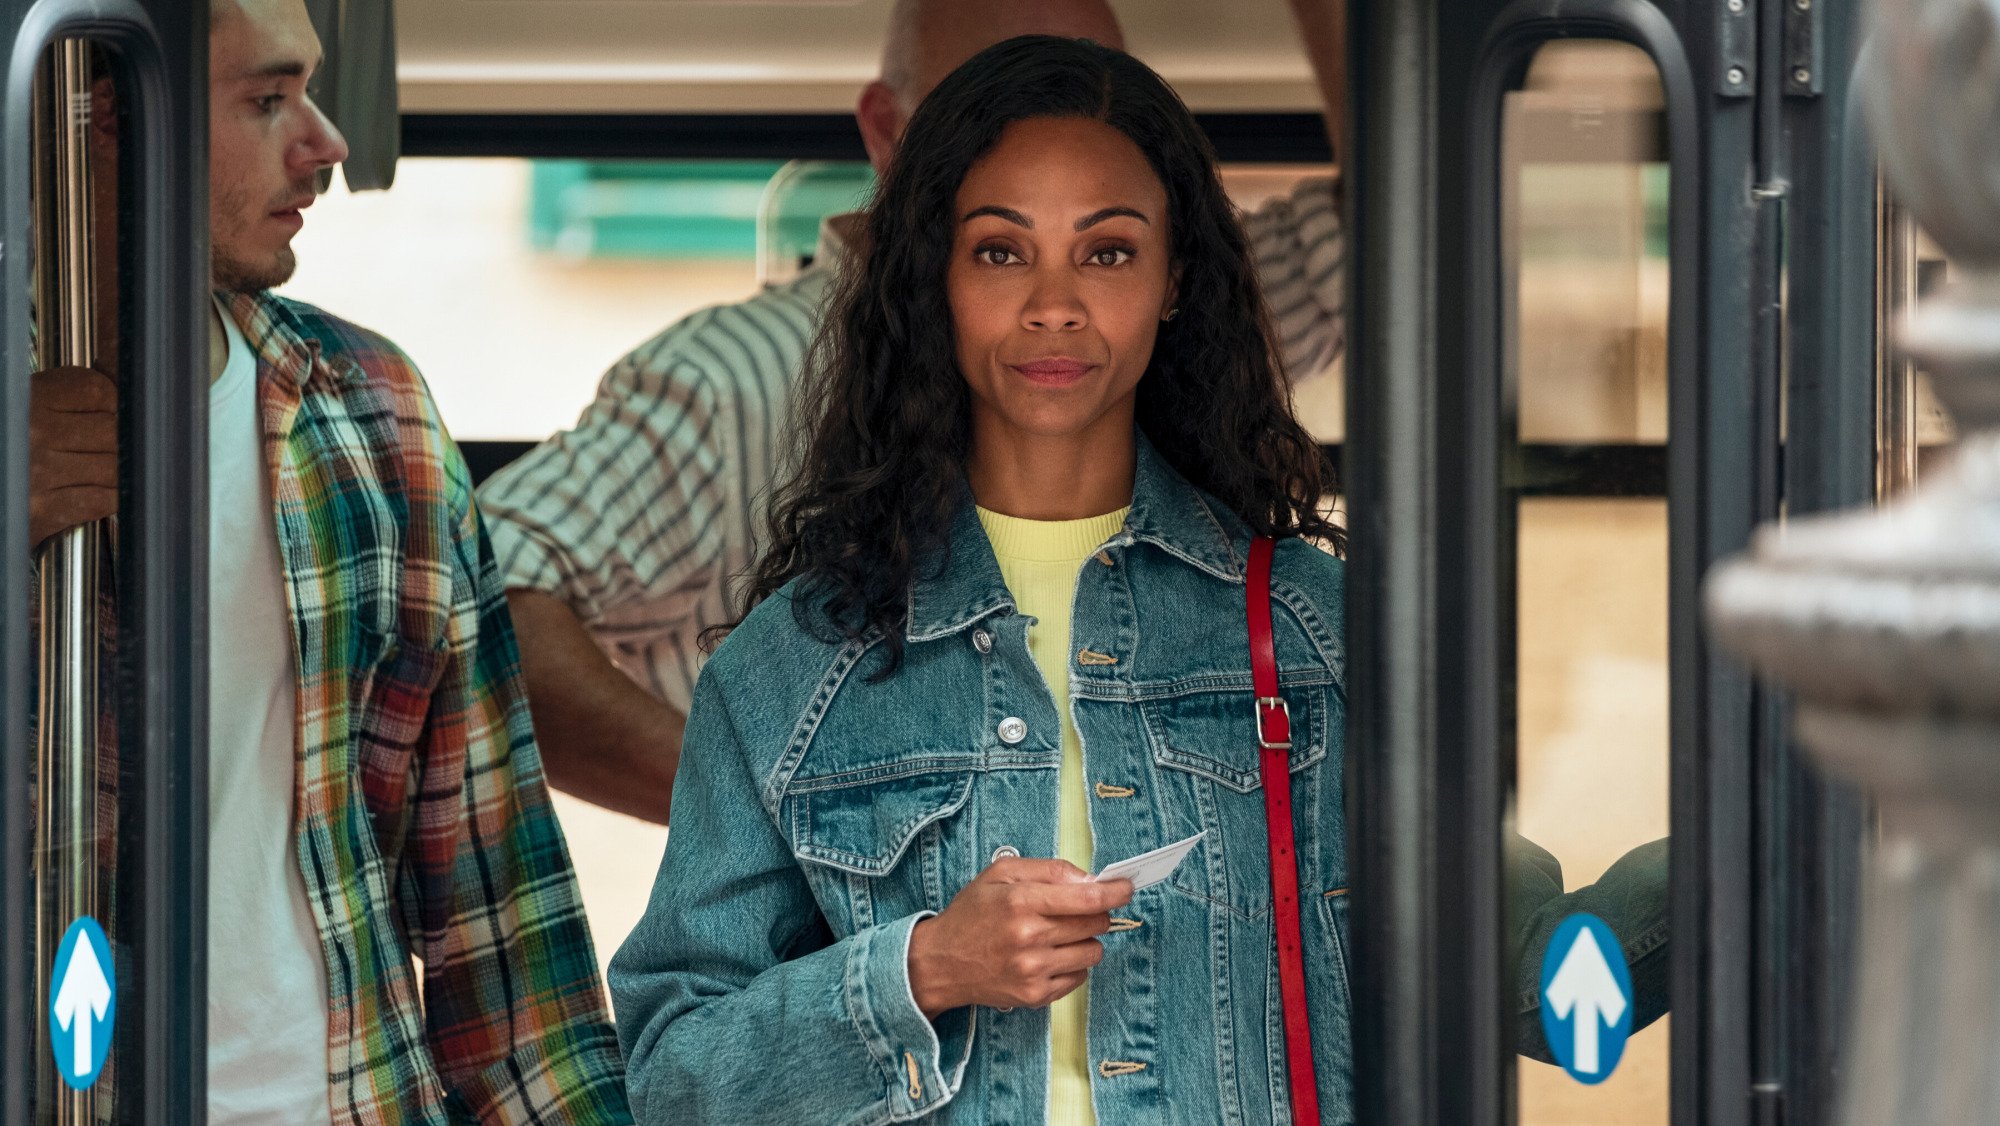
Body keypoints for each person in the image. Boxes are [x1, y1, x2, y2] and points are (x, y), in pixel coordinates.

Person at [610, 35, 1352, 1124]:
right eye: (1000, 253)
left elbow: (1434, 986)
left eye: (1105, 253)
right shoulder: (792, 667)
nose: (1053, 305)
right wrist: (920, 969)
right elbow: (672, 1077)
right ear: (934, 280)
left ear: (1173, 280)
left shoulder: (1315, 632)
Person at [477, 0, 1350, 824]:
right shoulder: (727, 380)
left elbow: (1400, 223)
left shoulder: (1202, 316)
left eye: (1100, 100)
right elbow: (477, 599)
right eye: (988, 110)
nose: (1057, 306)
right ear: (888, 133)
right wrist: (766, 817)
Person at [28, 0, 630, 1119]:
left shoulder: (372, 414)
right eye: (267, 99)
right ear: (114, 115)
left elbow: (495, 911)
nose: (327, 141)